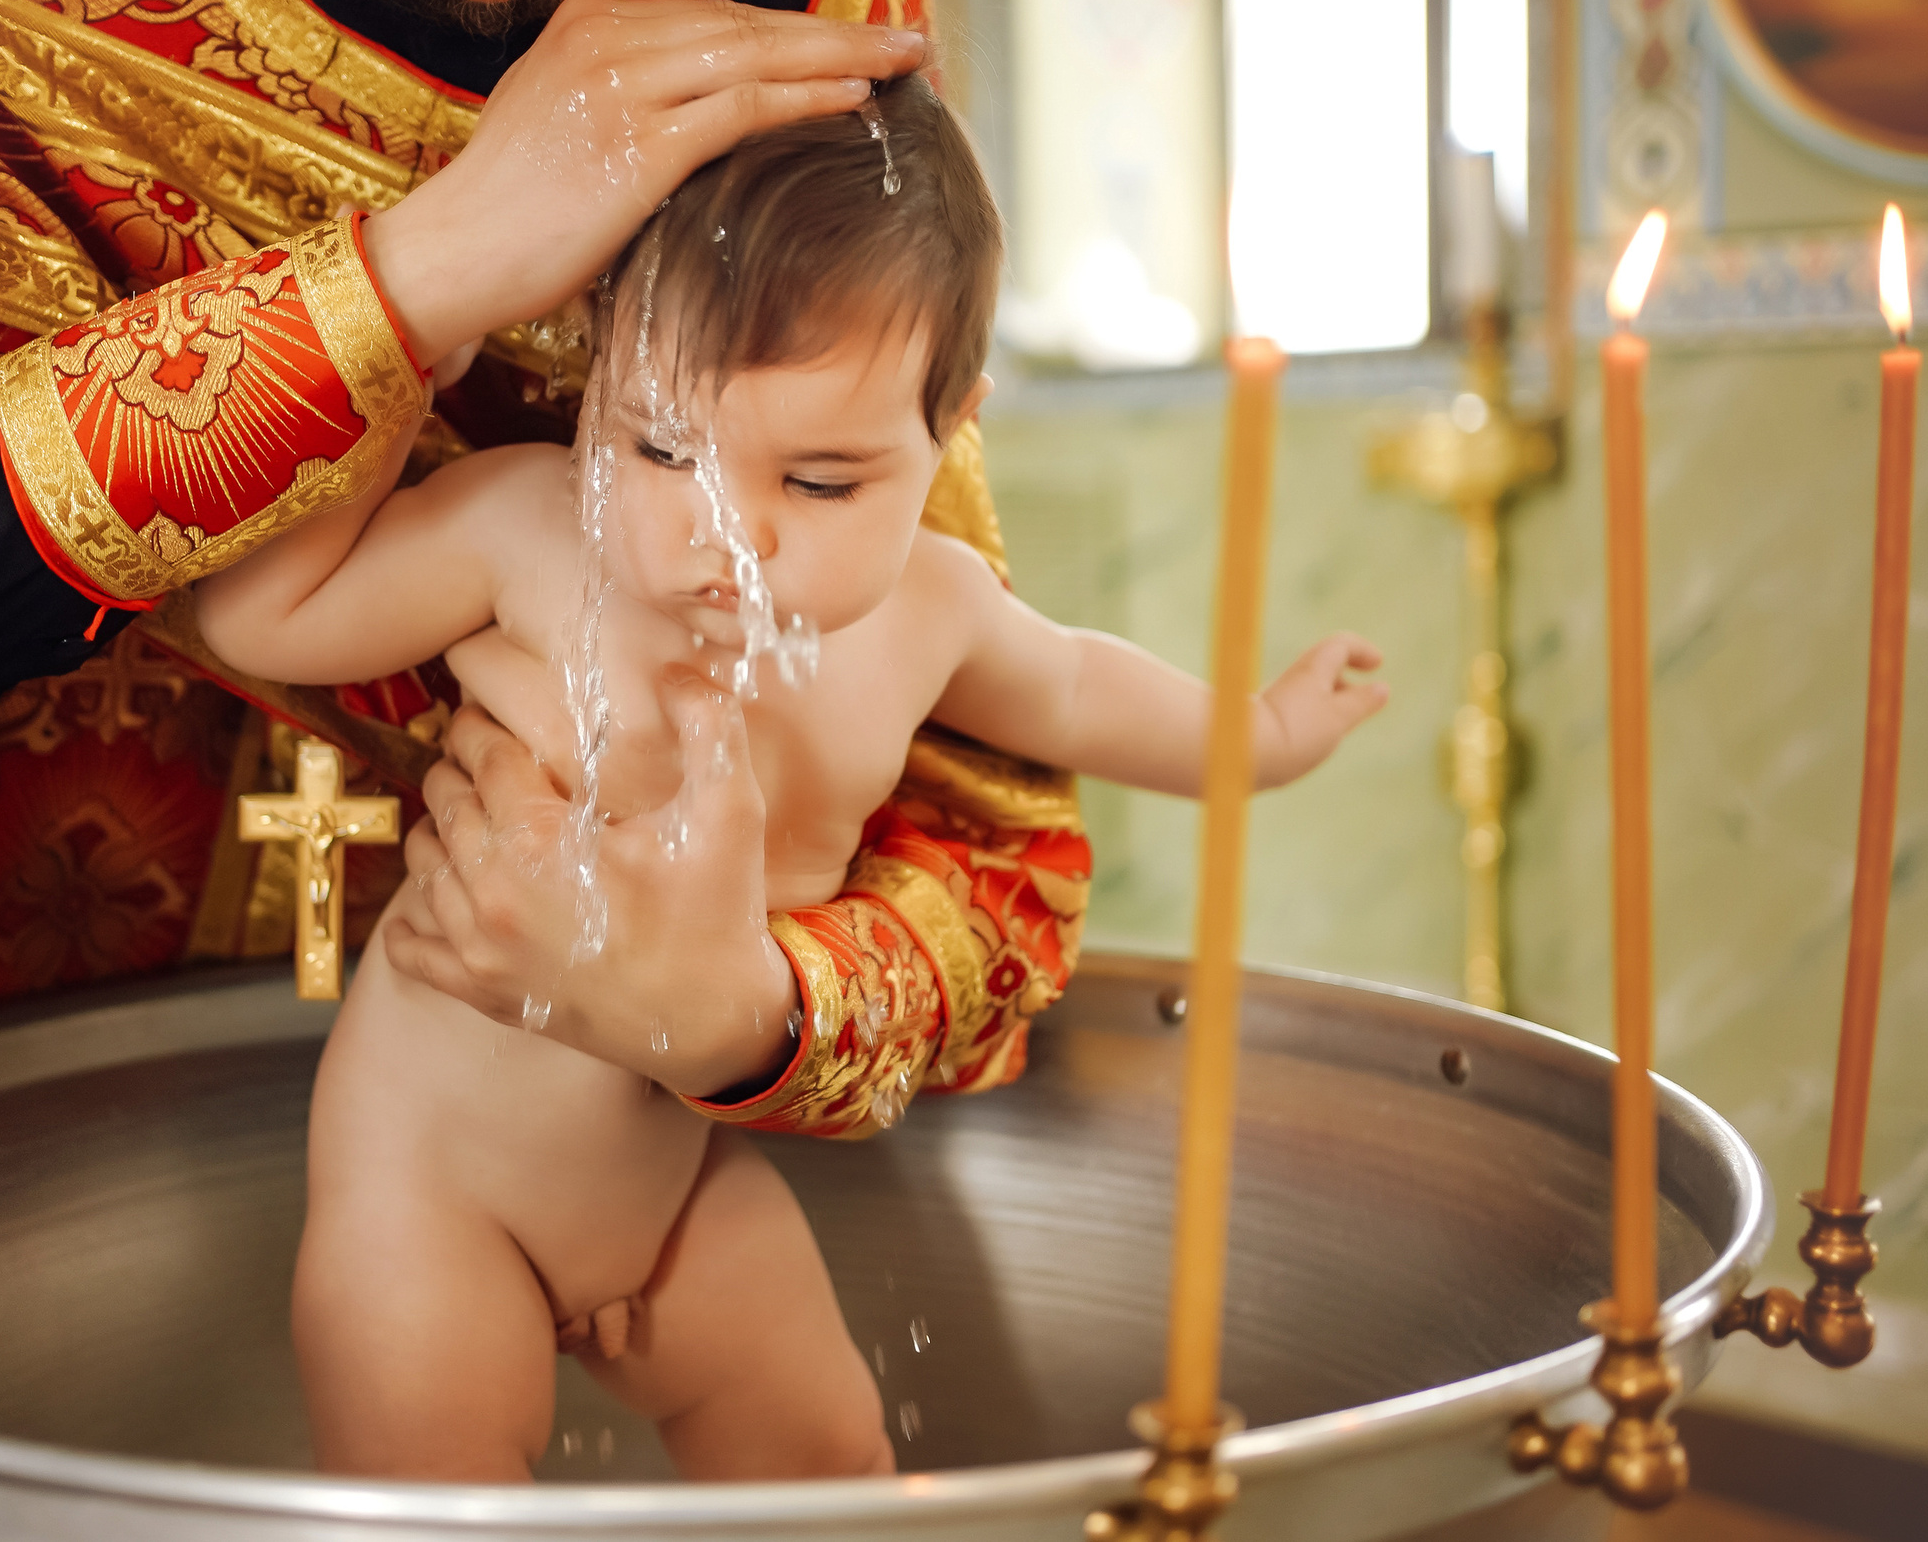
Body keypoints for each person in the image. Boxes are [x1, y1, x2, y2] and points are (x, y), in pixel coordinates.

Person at [0, 0, 1083, 1161]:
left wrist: (756, 1017)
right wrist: (410, 285)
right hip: (28, 1109)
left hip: (591, 1143)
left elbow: (968, 801)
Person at [196, 80, 1387, 1479]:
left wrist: (1261, 735)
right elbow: (259, 621)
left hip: (680, 1188)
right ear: (595, 376)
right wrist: (398, 373)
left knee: (831, 1456)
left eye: (821, 484)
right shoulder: (532, 535)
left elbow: (1075, 686)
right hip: (433, 1183)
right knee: (441, 1498)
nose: (729, 537)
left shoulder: (932, 609)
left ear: (949, 430)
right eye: (659, 447)